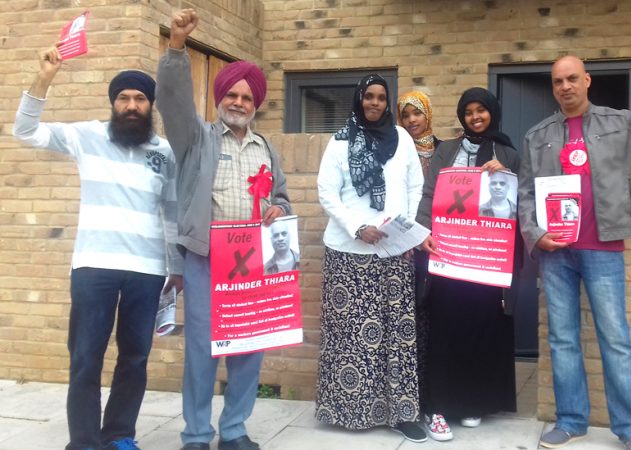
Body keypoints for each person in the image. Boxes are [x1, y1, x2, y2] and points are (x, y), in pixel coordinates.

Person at [13, 46, 183, 450]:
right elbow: (25, 130)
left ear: (150, 106)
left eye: (140, 98)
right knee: (86, 356)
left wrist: (175, 268)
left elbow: (172, 212)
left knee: (136, 357)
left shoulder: (164, 151)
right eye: (123, 97)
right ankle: (85, 441)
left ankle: (120, 434)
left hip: (147, 270)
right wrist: (45, 77)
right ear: (113, 103)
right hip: (94, 267)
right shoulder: (86, 136)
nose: (131, 105)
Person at [517, 56, 631, 450]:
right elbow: (526, 193)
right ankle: (572, 420)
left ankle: (630, 430)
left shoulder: (621, 123)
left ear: (587, 80)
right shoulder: (537, 134)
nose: (565, 87)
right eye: (558, 81)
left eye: (573, 78)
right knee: (562, 339)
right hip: (555, 252)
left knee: (615, 339)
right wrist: (535, 234)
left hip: (604, 247)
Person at [156, 9, 291, 450]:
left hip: (255, 264)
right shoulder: (197, 139)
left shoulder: (266, 147)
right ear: (219, 99)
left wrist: (277, 209)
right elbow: (174, 102)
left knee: (249, 348)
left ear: (257, 104)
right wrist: (177, 46)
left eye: (247, 97)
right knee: (201, 350)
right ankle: (196, 434)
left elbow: (282, 197)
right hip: (206, 259)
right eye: (231, 94)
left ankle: (234, 431)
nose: (238, 102)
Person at [315, 74, 436, 443]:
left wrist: (407, 226)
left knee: (396, 335)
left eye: (382, 97)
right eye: (369, 96)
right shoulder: (340, 142)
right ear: (359, 99)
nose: (375, 103)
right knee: (351, 337)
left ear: (388, 102)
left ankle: (400, 414)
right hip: (349, 253)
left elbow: (415, 185)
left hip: (393, 251)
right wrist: (356, 227)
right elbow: (326, 192)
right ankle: (348, 411)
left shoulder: (401, 139)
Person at [415, 87, 519, 441]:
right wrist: (423, 232)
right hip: (448, 254)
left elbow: (519, 200)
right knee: (446, 325)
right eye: (469, 112)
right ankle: (439, 405)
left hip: (487, 257)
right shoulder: (447, 149)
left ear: (492, 112)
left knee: (482, 326)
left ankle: (473, 400)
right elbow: (430, 193)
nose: (476, 117)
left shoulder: (508, 152)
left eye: (482, 111)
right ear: (462, 116)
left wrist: (505, 173)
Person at [396, 90, 440, 423]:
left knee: (433, 317)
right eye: (406, 115)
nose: (412, 121)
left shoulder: (444, 149)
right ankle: (407, 396)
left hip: (438, 246)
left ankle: (431, 393)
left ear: (428, 115)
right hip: (405, 247)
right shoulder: (395, 149)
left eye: (417, 114)